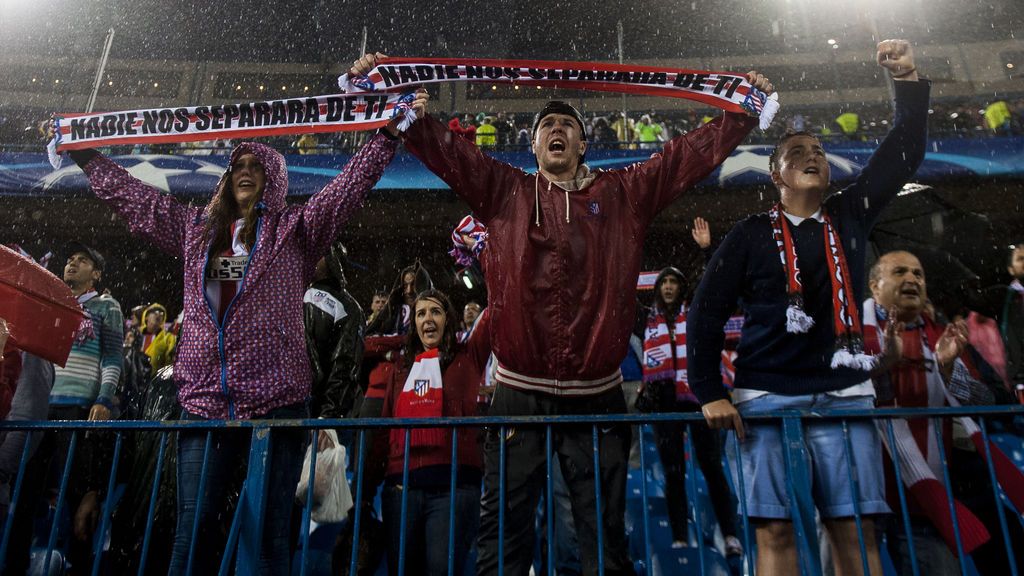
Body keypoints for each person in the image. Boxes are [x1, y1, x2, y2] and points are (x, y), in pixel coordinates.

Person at [354, 52, 775, 575]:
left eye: (567, 125)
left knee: (603, 538)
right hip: (517, 393)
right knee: (504, 536)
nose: (556, 130)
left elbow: (681, 158)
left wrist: (739, 114)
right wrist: (400, 104)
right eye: (546, 125)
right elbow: (449, 153)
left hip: (595, 396)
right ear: (533, 145)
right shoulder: (504, 190)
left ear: (582, 143)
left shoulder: (623, 194)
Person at [47, 75, 426, 574]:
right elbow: (135, 200)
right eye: (238, 165)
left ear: (274, 177)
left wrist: (389, 135)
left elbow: (348, 187)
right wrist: (84, 157)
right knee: (192, 534)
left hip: (276, 409)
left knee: (269, 538)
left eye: (256, 165)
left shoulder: (298, 231)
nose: (245, 171)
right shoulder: (196, 232)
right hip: (204, 405)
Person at [688, 40, 929, 576]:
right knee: (774, 532)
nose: (811, 156)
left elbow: (905, 153)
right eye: (796, 153)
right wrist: (708, 390)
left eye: (817, 150)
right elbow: (705, 311)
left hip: (845, 395)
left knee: (854, 529)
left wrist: (908, 81)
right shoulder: (750, 234)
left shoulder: (851, 214)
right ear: (774, 174)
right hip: (765, 396)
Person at [864, 250, 1010, 576]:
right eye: (900, 272)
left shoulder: (945, 337)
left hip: (925, 502)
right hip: (860, 499)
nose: (912, 279)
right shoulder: (848, 334)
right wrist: (880, 366)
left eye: (918, 274)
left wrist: (947, 369)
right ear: (874, 286)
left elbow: (989, 402)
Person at [7, 243, 123, 573]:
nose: (71, 265)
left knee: (77, 496)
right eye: (69, 260)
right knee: (27, 491)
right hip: (41, 407)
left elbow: (113, 356)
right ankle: (14, 564)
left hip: (78, 409)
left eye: (82, 261)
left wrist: (103, 398)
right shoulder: (52, 306)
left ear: (96, 274)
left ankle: (79, 565)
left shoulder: (106, 306)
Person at [367, 290, 490, 576]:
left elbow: (496, 310)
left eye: (435, 311)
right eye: (421, 313)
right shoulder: (400, 369)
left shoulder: (468, 356)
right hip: (402, 491)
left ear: (449, 319)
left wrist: (482, 254)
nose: (427, 319)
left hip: (454, 490)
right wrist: (364, 494)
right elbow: (385, 431)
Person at [635, 267, 742, 555]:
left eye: (673, 282)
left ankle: (730, 535)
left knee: (711, 467)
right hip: (663, 403)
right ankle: (679, 537)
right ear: (657, 288)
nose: (668, 287)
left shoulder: (695, 314)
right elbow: (624, 301)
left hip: (697, 399)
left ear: (681, 287)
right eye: (664, 282)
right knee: (673, 472)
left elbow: (721, 292)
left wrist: (707, 254)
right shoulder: (645, 319)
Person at [140, 302, 176, 373]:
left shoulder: (168, 338)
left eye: (162, 314)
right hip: (134, 380)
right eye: (155, 312)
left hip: (154, 381)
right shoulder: (136, 335)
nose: (159, 315)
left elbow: (169, 363)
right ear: (146, 316)